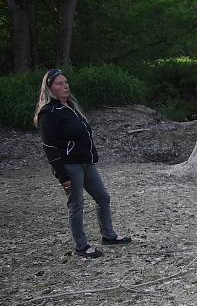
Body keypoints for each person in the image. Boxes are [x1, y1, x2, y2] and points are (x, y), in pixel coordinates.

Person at [34, 68, 131, 258]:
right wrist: (62, 175)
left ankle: (108, 235)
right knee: (76, 204)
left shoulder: (70, 106)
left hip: (86, 163)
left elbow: (85, 135)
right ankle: (81, 246)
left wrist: (92, 155)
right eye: (60, 83)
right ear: (50, 88)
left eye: (66, 82)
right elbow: (49, 146)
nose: (65, 86)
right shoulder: (49, 112)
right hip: (69, 166)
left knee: (103, 197)